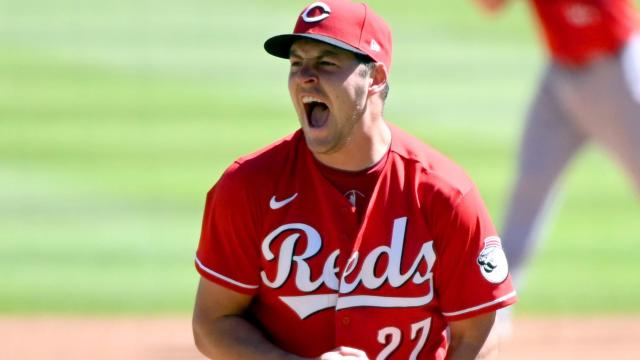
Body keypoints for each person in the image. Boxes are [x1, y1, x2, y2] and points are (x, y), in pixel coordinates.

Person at [192, 1, 517, 359]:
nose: (304, 76)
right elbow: (213, 322)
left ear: (375, 78)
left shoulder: (443, 194)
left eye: (326, 63)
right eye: (297, 63)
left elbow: (479, 335)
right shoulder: (248, 186)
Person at [474, 0, 640, 354]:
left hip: (618, 70)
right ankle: (493, 310)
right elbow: (489, 5)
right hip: (561, 76)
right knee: (528, 193)